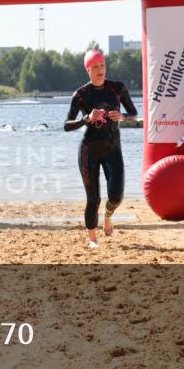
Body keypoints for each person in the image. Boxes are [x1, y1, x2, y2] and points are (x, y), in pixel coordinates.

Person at [64, 49, 138, 248]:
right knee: (93, 198)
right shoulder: (81, 94)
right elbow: (66, 125)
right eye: (95, 66)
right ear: (88, 70)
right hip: (89, 150)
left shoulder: (117, 88)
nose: (100, 70)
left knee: (116, 195)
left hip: (113, 147)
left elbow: (133, 112)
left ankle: (108, 216)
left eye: (102, 65)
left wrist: (122, 117)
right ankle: (92, 239)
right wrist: (86, 119)